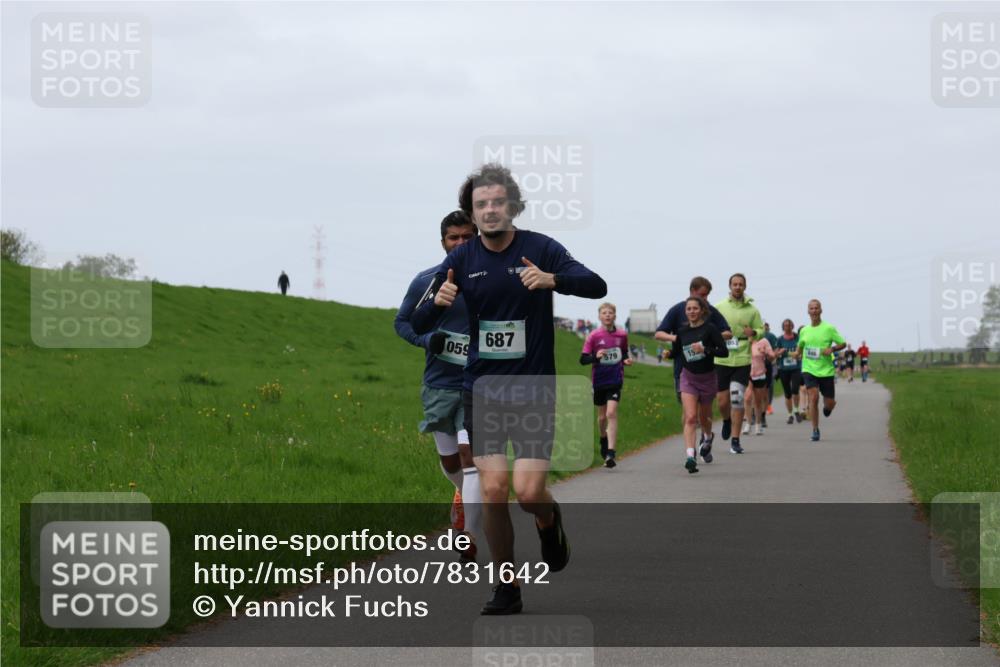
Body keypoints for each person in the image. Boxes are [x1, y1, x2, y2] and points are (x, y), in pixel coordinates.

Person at [411, 163, 607, 615]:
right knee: (495, 488)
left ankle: (548, 519)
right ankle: (507, 586)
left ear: (513, 206)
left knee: (528, 492)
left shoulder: (541, 248)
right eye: (481, 205)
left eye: (498, 202)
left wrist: (553, 279)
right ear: (472, 213)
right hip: (482, 391)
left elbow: (597, 285)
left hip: (534, 388)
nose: (490, 210)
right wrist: (436, 303)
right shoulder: (460, 260)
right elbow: (417, 319)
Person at [394, 211, 480, 562]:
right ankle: (461, 494)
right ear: (443, 242)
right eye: (453, 238)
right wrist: (429, 340)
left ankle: (469, 536)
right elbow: (402, 324)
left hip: (478, 385)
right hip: (439, 384)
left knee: (469, 458)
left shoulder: (487, 279)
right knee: (450, 463)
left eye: (466, 237)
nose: (460, 243)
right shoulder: (426, 280)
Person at [654, 276, 732, 463]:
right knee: (689, 415)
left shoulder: (711, 314)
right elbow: (659, 333)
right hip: (684, 371)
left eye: (707, 296)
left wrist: (706, 341)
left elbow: (727, 333)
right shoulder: (677, 313)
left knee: (703, 415)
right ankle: (691, 454)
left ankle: (706, 438)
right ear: (693, 291)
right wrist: (679, 343)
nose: (706, 299)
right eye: (703, 294)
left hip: (706, 373)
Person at [714, 273, 764, 454]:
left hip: (742, 357)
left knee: (737, 397)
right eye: (734, 284)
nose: (737, 287)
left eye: (740, 284)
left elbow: (760, 329)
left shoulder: (752, 310)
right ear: (729, 286)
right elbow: (710, 327)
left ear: (745, 286)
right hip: (722, 357)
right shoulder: (719, 307)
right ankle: (726, 420)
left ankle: (735, 440)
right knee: (722, 401)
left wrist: (755, 333)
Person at [580, 303, 632, 468]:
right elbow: (583, 359)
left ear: (615, 316)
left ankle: (611, 452)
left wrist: (626, 360)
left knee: (611, 413)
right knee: (602, 417)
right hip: (599, 380)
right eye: (604, 313)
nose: (608, 315)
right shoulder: (594, 336)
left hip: (615, 379)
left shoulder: (622, 335)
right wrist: (596, 357)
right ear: (599, 316)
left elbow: (623, 353)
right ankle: (603, 437)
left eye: (610, 313)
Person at [797, 299, 847, 442]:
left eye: (816, 308)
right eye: (811, 308)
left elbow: (842, 343)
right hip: (809, 369)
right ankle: (815, 429)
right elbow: (800, 347)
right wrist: (795, 353)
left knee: (829, 403)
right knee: (813, 397)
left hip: (826, 371)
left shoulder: (829, 328)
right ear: (808, 311)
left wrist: (832, 349)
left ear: (821, 310)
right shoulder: (804, 331)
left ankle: (828, 408)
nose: (814, 311)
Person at [774, 319, 804, 424]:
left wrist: (800, 354)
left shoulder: (798, 338)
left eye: (790, 325)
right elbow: (775, 354)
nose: (788, 327)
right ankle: (790, 415)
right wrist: (779, 352)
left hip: (796, 368)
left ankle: (796, 410)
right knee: (787, 393)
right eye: (786, 325)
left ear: (792, 326)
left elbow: (803, 350)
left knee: (795, 389)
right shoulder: (780, 340)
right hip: (784, 369)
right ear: (783, 327)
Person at [749, 334, 776, 436]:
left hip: (764, 368)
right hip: (749, 369)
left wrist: (766, 353)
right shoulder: (746, 339)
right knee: (749, 395)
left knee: (763, 395)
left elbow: (772, 356)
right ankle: (751, 416)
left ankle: (762, 416)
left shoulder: (766, 339)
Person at [763, 322, 779, 418]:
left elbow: (776, 348)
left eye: (766, 327)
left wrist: (774, 357)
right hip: (758, 363)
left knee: (770, 385)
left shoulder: (771, 336)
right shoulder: (756, 336)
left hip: (771, 364)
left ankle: (768, 405)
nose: (765, 329)